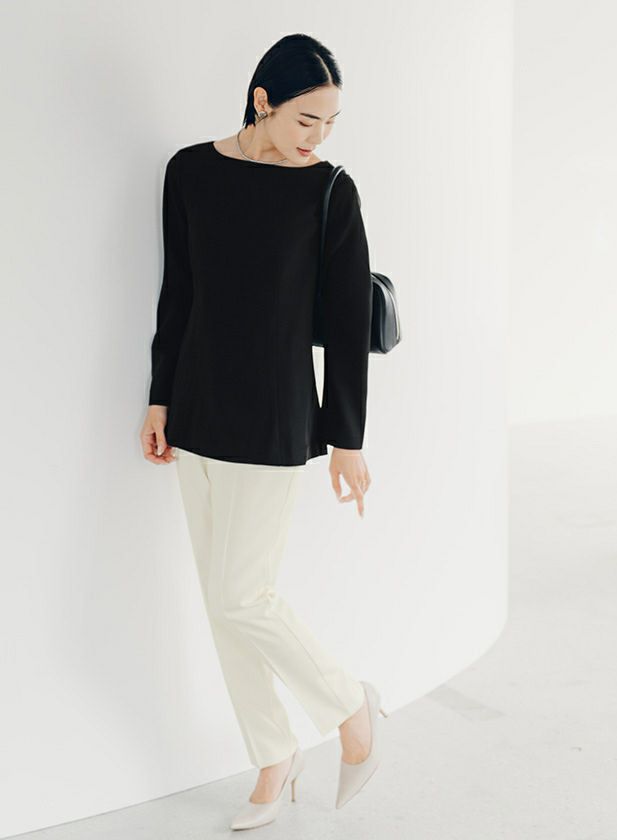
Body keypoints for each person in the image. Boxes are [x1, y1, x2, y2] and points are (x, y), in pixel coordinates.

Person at [139, 33, 388, 830]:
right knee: (224, 604)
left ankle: (350, 708)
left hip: (277, 415)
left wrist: (346, 438)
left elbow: (347, 323)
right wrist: (159, 397)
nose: (318, 137)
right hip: (197, 407)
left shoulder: (329, 191)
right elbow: (180, 289)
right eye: (306, 119)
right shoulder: (190, 171)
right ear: (262, 101)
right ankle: (274, 756)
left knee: (244, 595)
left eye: (330, 123)